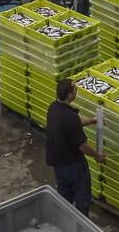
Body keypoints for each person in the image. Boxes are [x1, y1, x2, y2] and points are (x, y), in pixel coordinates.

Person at [44, 78, 102, 214]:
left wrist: (93, 120)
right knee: (82, 199)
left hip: (58, 163)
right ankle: (82, 227)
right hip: (73, 165)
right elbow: (83, 146)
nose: (77, 90)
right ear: (70, 94)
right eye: (75, 88)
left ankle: (64, 222)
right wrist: (97, 156)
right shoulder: (70, 118)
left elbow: (72, 124)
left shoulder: (53, 107)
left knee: (64, 197)